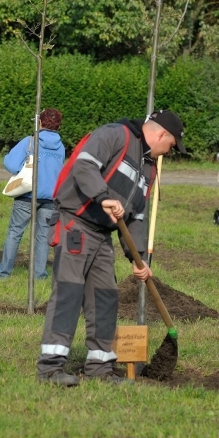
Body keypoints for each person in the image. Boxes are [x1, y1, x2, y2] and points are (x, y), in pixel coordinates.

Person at [36, 110, 187, 387]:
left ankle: (100, 367)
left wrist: (138, 258)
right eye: (171, 146)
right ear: (162, 134)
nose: (169, 152)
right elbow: (84, 165)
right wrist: (102, 197)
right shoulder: (115, 135)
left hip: (102, 234)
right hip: (75, 224)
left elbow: (137, 215)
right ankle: (50, 368)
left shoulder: (149, 166)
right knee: (69, 293)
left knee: (105, 297)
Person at [0, 108, 65, 281]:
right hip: (50, 198)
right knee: (43, 236)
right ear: (58, 126)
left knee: (15, 232)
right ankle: (39, 275)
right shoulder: (61, 147)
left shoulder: (30, 141)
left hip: (27, 195)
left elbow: (11, 164)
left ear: (40, 122)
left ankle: (3, 273)